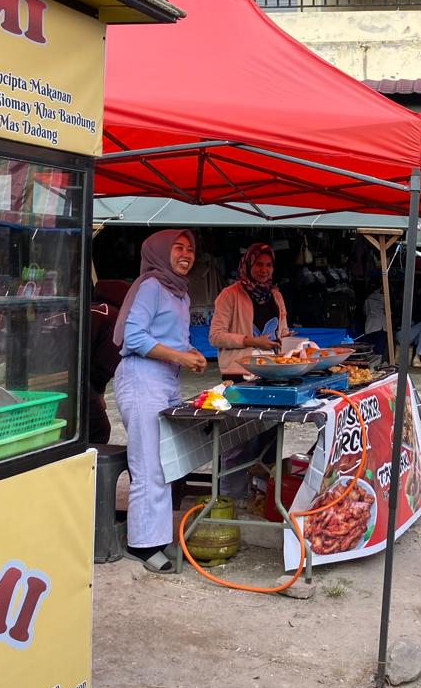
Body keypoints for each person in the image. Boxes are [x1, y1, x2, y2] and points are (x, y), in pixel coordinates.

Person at [113, 229, 207, 575]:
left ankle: (157, 536)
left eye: (190, 249)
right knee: (148, 463)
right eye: (178, 248)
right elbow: (134, 336)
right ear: (160, 251)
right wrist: (181, 357)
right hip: (141, 377)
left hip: (166, 378)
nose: (186, 254)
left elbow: (173, 340)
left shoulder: (179, 291)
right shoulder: (151, 286)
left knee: (166, 462)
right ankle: (141, 545)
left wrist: (190, 353)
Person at [210, 242, 290, 378]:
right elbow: (215, 337)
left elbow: (283, 333)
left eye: (269, 265)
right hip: (240, 371)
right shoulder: (229, 294)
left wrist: (291, 344)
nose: (264, 270)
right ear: (247, 264)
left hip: (273, 368)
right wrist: (252, 341)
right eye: (259, 264)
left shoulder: (276, 295)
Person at [363, 285, 421, 367]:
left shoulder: (416, 305)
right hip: (400, 334)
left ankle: (417, 357)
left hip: (413, 335)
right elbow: (393, 320)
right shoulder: (397, 304)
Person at [87, 279, 130, 445]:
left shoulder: (89, 308)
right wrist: (98, 393)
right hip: (74, 380)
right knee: (99, 430)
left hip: (48, 373)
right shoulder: (114, 317)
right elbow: (104, 365)